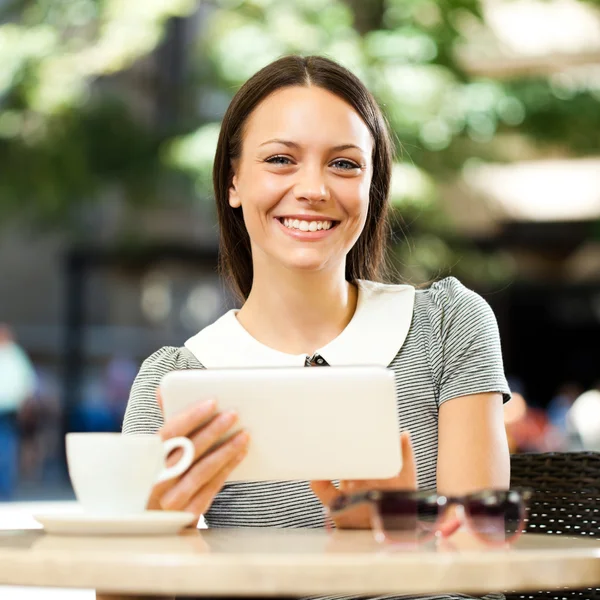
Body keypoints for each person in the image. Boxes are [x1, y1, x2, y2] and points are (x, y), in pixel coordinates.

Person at [122, 55, 511, 600]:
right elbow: (121, 594)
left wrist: (396, 530)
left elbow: (486, 572)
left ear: (373, 186)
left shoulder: (449, 324)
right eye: (281, 159)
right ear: (233, 181)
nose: (313, 189)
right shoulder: (176, 380)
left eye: (345, 165)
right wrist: (148, 536)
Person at [0, 324, 37, 498]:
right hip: (8, 409)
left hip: (7, 410)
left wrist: (24, 406)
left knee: (5, 450)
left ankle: (5, 490)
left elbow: (27, 385)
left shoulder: (14, 355)